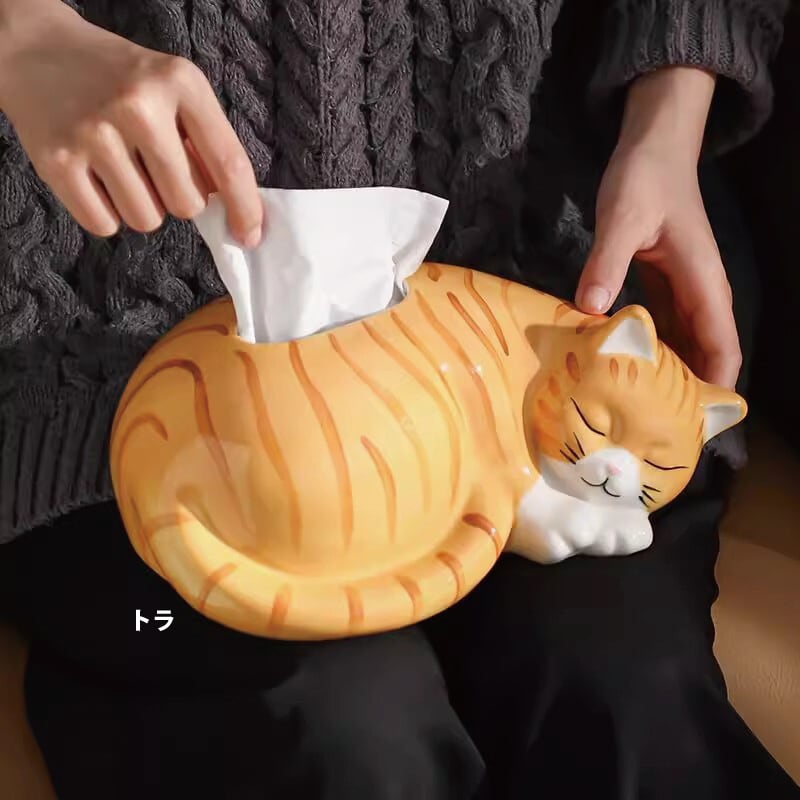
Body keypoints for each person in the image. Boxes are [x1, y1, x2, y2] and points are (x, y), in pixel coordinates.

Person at [0, 0, 796, 798]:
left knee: (623, 692)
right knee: (346, 736)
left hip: (539, 318)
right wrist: (22, 32)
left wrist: (671, 111)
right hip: (118, 366)